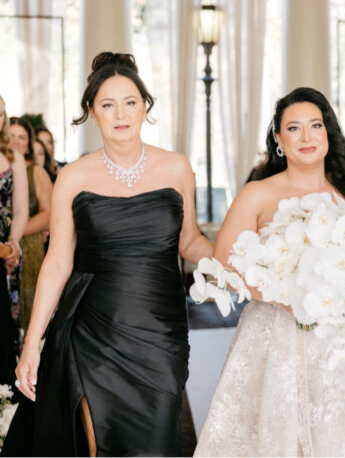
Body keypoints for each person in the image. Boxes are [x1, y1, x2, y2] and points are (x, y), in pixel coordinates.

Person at [2, 52, 213, 456]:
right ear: (91, 112)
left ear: (145, 106)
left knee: (155, 445)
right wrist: (31, 345)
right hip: (93, 330)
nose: (121, 114)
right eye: (108, 104)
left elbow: (189, 241)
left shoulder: (176, 168)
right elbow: (59, 262)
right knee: (100, 443)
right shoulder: (74, 176)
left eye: (130, 101)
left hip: (160, 332)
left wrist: (233, 261)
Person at [194, 87, 345, 456]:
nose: (307, 136)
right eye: (294, 128)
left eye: (315, 125)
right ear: (279, 139)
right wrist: (279, 293)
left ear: (329, 132)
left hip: (341, 336)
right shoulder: (258, 193)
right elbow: (223, 264)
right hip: (276, 334)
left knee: (342, 435)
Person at [7, 116, 53, 334]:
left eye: (22, 137)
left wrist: (12, 232)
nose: (16, 141)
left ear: (29, 143)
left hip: (30, 248)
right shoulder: (4, 166)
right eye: (12, 135)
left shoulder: (36, 172)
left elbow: (49, 213)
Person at [0, 94, 28, 392]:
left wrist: (13, 244)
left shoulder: (13, 156)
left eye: (0, 114)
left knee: (6, 325)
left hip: (5, 250)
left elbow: (21, 210)